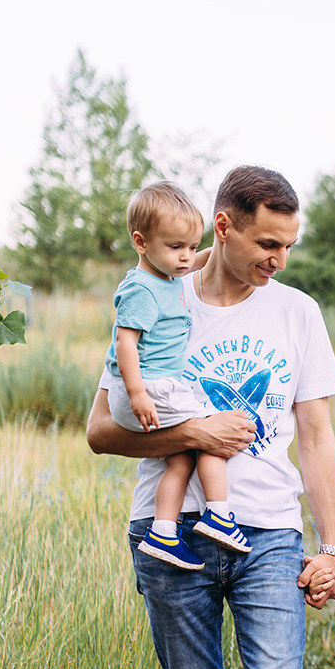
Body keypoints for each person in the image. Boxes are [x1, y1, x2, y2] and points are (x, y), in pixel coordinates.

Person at [85, 165, 335, 669]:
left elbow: (316, 436)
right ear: (224, 226)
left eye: (288, 245)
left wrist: (332, 545)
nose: (279, 259)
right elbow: (101, 429)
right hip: (170, 534)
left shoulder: (297, 313)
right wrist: (194, 434)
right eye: (267, 242)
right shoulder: (155, 296)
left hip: (268, 534)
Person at [102, 181, 251, 569]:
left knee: (181, 459)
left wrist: (224, 247)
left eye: (191, 246)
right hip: (150, 387)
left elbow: (198, 258)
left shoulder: (165, 275)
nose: (186, 257)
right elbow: (124, 342)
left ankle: (163, 532)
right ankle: (219, 515)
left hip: (154, 387)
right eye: (175, 247)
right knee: (213, 432)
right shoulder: (142, 290)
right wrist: (137, 393)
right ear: (140, 242)